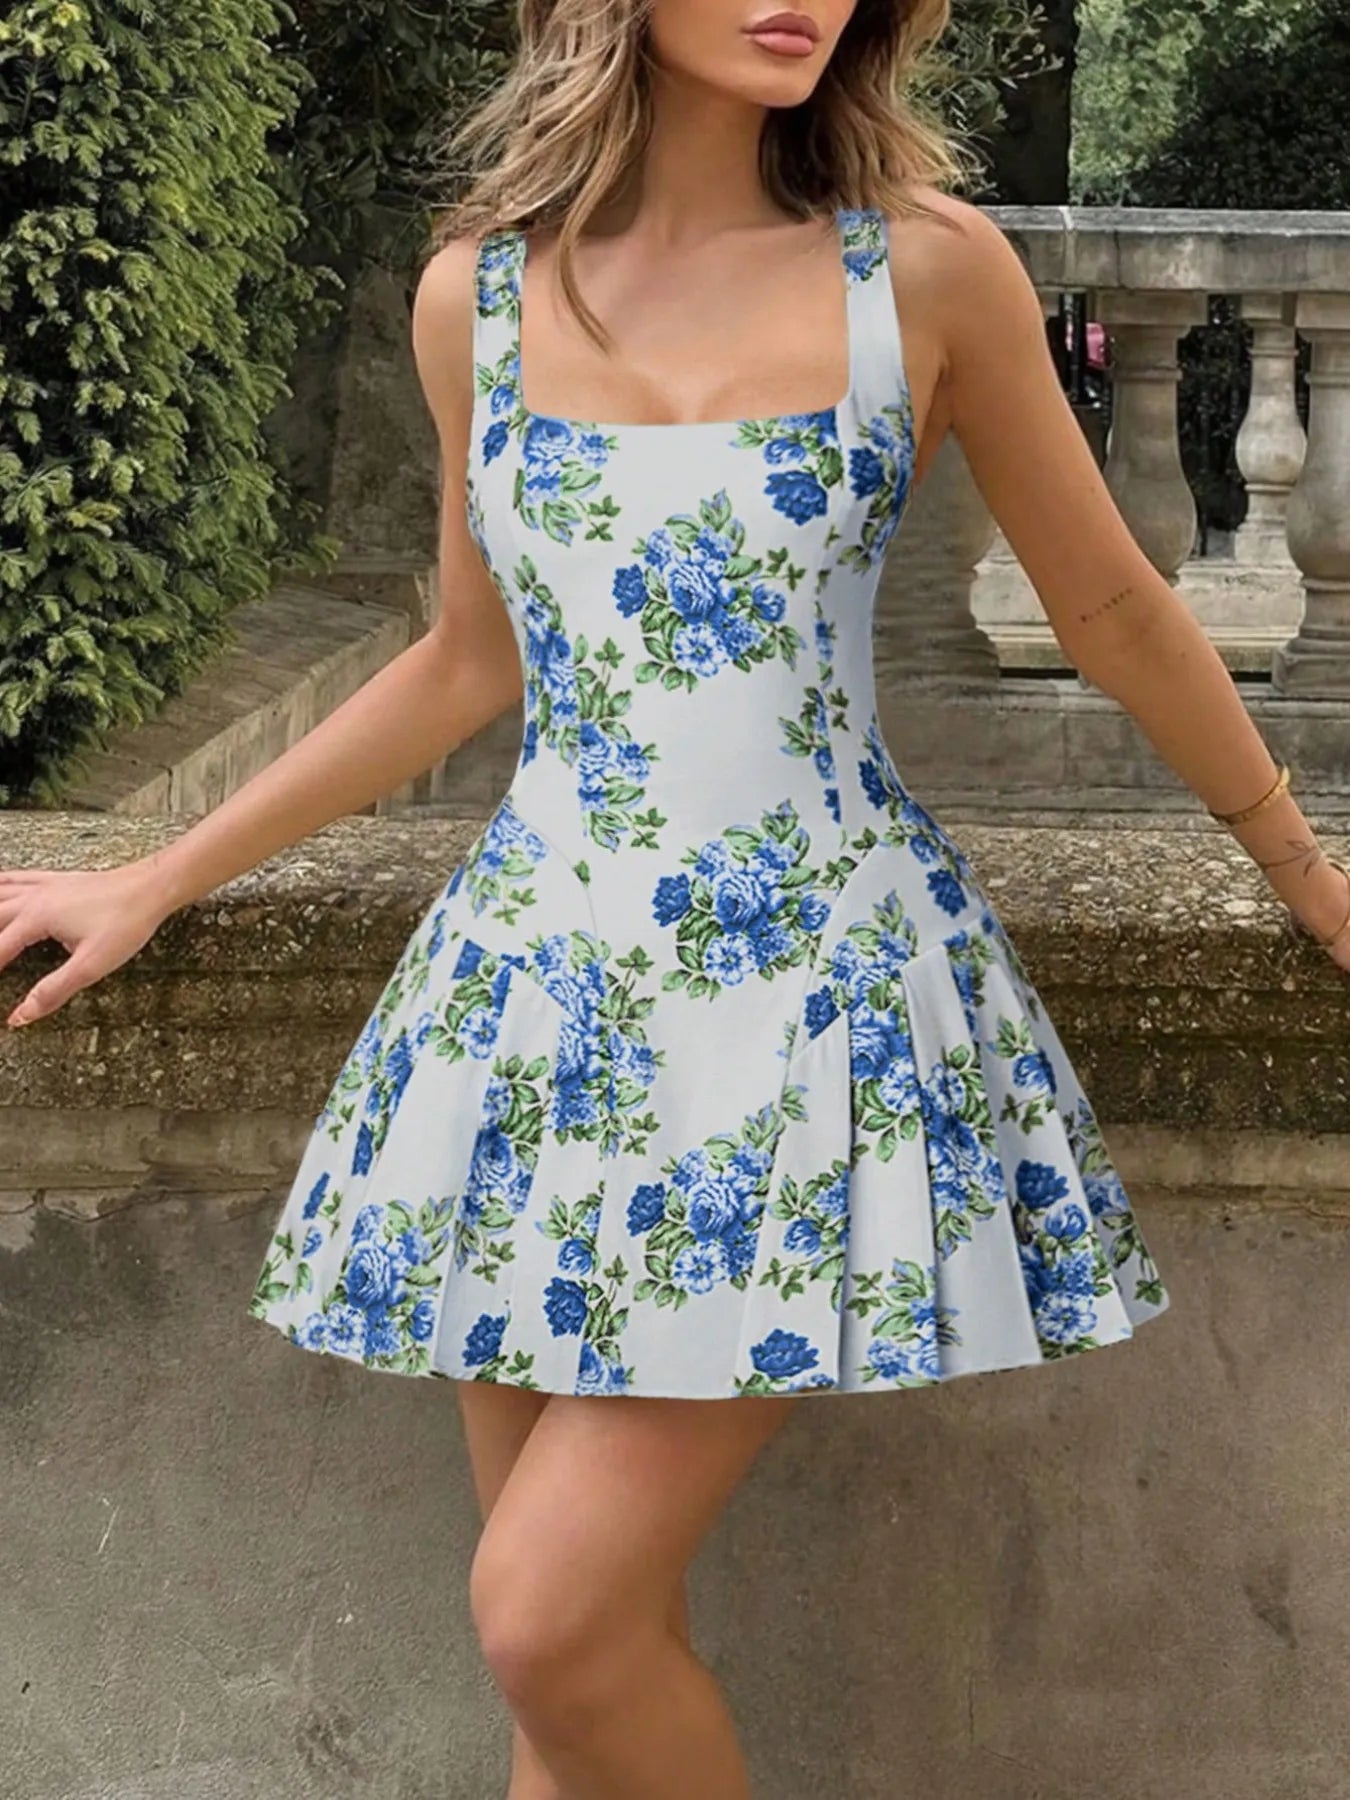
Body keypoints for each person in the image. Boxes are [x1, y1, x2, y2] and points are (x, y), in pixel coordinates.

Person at [3, 2, 1348, 1794]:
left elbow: (1106, 609)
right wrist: (150, 878)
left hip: (808, 1008)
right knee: (563, 1674)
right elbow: (465, 661)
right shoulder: (469, 296)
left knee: (549, 1617)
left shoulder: (928, 275)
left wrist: (1302, 867)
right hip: (541, 1005)